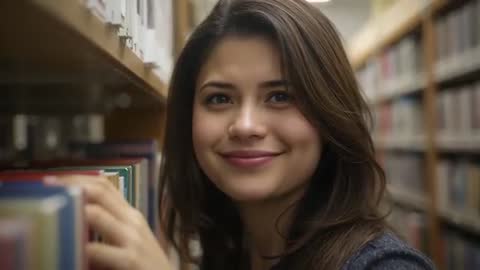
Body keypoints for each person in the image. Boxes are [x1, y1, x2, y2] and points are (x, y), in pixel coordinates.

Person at [46, 0, 435, 269]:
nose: (246, 126)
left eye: (281, 96)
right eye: (218, 98)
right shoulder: (231, 250)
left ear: (329, 113)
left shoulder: (383, 266)